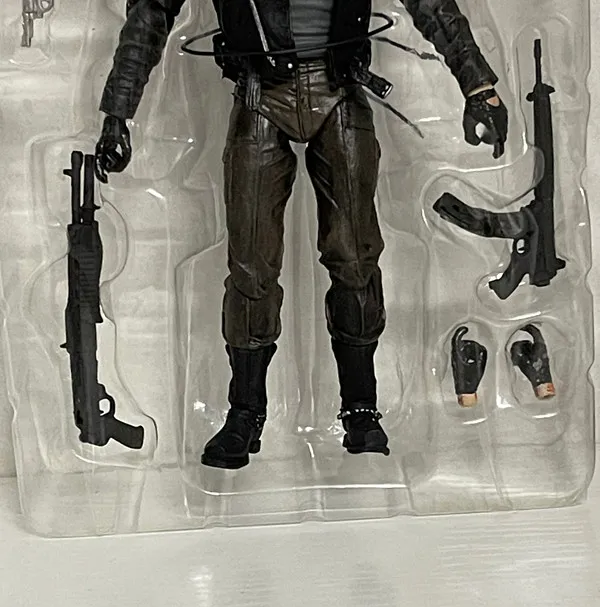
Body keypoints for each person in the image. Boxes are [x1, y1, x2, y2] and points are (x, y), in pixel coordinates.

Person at [95, 0, 508, 470]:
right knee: (251, 265)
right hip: (259, 94)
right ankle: (245, 412)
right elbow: (151, 11)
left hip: (340, 90)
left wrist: (479, 85)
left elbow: (431, 4)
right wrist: (118, 112)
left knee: (355, 257)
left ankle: (361, 406)